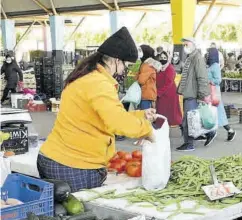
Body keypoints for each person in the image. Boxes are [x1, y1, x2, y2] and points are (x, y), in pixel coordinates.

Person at [37, 27, 156, 192]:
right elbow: (117, 122)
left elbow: (102, 115)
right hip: (73, 165)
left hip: (59, 158)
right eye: (126, 66)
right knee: (81, 215)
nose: (124, 71)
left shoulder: (89, 76)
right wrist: (146, 130)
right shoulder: (98, 83)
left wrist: (141, 115)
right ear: (115, 61)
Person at [176, 37, 216, 151]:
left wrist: (203, 95)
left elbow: (202, 77)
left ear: (194, 45)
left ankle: (189, 144)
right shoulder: (191, 58)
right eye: (184, 45)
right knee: (193, 118)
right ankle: (207, 134)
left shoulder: (197, 58)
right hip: (189, 93)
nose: (185, 47)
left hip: (192, 94)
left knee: (188, 120)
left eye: (187, 44)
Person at [206, 47, 236, 141]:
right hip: (210, 92)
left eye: (208, 53)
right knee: (212, 112)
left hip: (215, 92)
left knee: (218, 111)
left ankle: (230, 130)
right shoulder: (210, 65)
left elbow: (218, 80)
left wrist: (209, 81)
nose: (207, 55)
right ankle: (213, 132)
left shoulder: (215, 66)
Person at [155, 51, 182, 126]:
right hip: (161, 93)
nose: (163, 59)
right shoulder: (158, 68)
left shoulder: (170, 68)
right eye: (161, 58)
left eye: (164, 58)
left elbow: (168, 83)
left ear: (167, 58)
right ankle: (161, 125)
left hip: (169, 93)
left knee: (169, 112)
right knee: (161, 110)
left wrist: (158, 92)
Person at [136, 45, 162, 110]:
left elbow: (141, 80)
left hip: (146, 95)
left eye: (140, 51)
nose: (138, 53)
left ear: (145, 52)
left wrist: (137, 76)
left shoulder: (147, 65)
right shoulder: (150, 64)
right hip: (150, 94)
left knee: (145, 116)